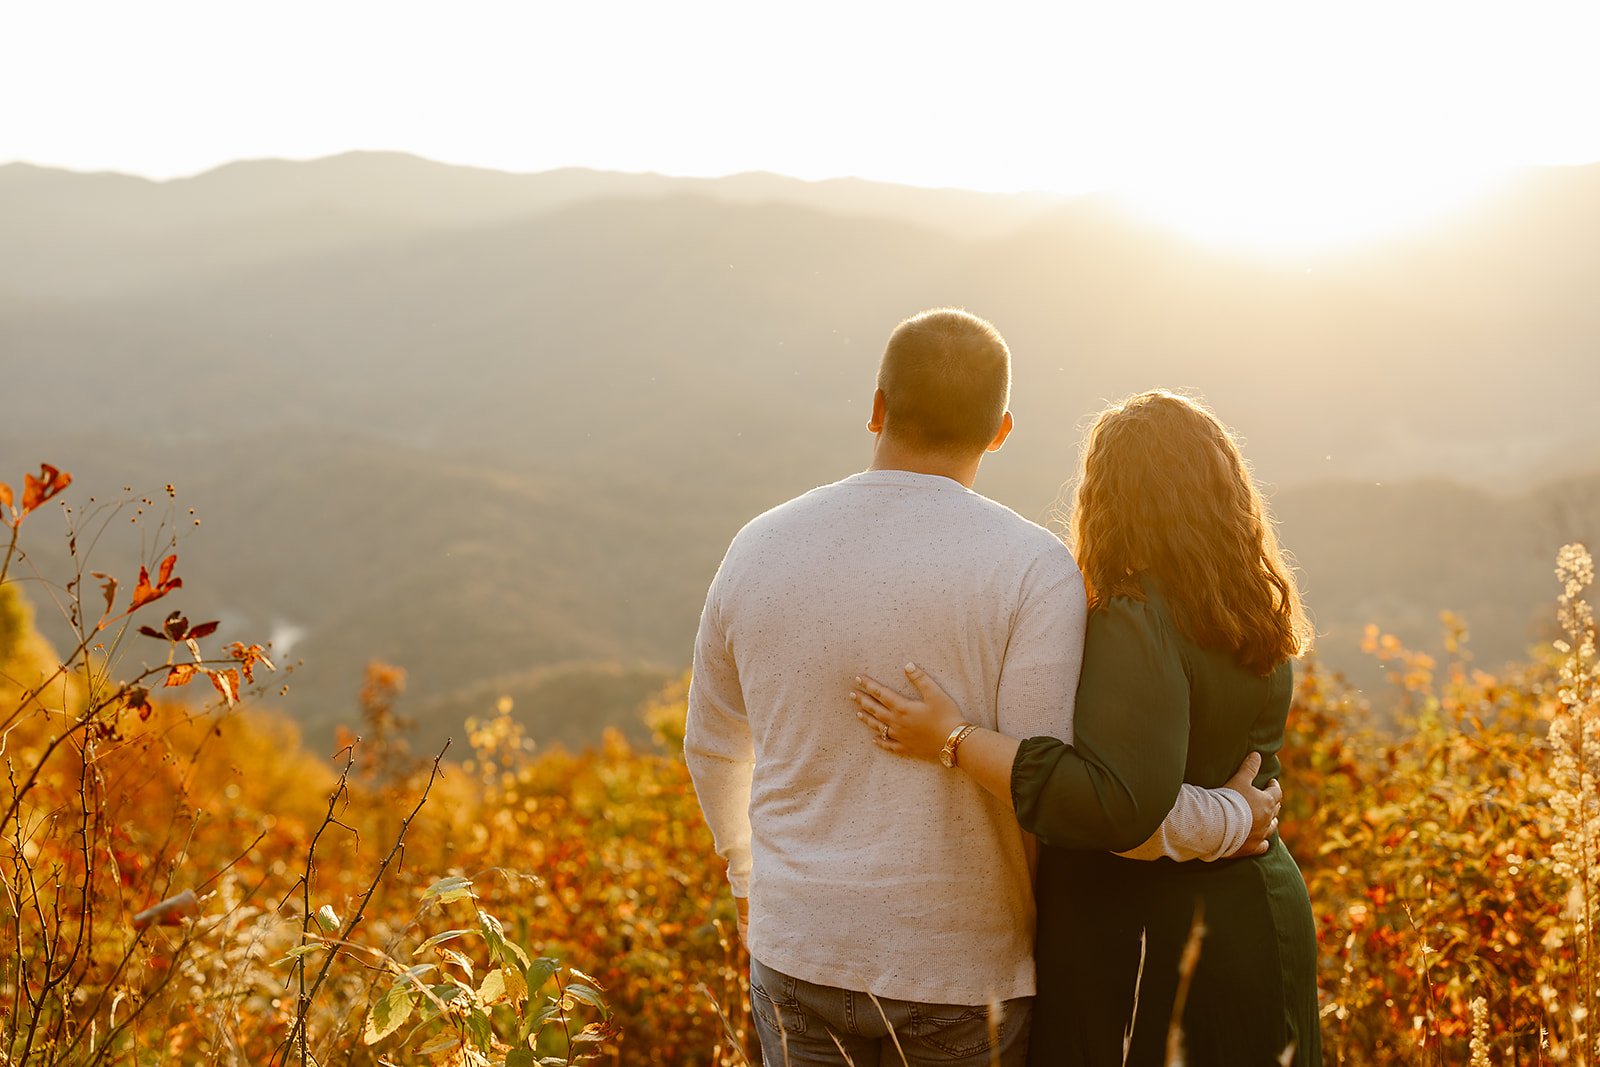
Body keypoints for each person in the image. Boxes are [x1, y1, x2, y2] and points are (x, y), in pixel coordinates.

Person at [685, 312, 1280, 1067]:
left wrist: (748, 878)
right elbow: (1057, 789)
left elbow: (712, 746)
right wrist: (1232, 813)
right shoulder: (1032, 569)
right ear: (1000, 430)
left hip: (799, 943)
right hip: (962, 966)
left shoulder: (757, 545)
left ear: (876, 407)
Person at [850, 389, 1319, 1066]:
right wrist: (1232, 813)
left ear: (1108, 497)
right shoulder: (1246, 606)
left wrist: (952, 739)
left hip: (1152, 932)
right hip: (1254, 910)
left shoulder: (1136, 617)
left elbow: (1115, 805)